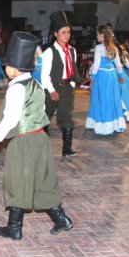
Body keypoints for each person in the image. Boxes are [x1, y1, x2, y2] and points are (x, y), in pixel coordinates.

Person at [0, 32, 73, 241]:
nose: (5, 68)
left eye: (7, 65)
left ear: (15, 69)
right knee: (42, 180)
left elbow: (10, 118)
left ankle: (14, 228)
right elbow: (41, 111)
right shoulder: (37, 85)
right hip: (41, 139)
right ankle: (61, 219)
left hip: (23, 141)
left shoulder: (15, 89)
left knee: (18, 181)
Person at [40, 12, 82, 157]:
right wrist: (52, 90)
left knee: (67, 118)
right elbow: (44, 74)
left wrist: (72, 84)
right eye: (63, 32)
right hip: (52, 88)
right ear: (56, 34)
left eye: (68, 32)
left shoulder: (72, 51)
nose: (67, 35)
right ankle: (40, 145)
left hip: (67, 88)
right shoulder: (49, 52)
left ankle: (67, 149)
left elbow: (72, 68)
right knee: (45, 117)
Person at [85, 24, 127, 135]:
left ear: (102, 35)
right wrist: (120, 76)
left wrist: (93, 78)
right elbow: (118, 64)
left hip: (102, 76)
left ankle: (102, 125)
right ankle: (113, 124)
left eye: (98, 34)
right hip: (112, 76)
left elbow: (96, 64)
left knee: (101, 99)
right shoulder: (114, 48)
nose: (96, 36)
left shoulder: (99, 48)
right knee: (111, 99)